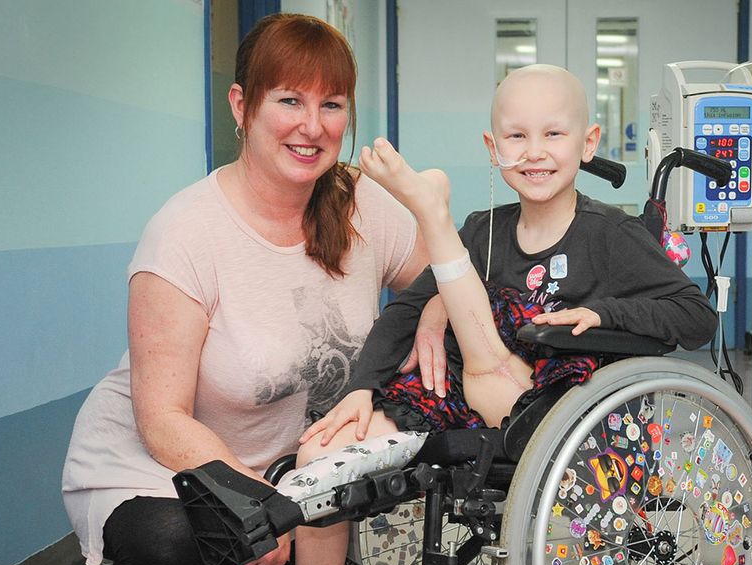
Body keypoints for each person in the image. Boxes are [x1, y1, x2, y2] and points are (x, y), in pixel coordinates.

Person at [60, 14, 433, 565]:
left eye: (332, 105)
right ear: (242, 106)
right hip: (170, 462)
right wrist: (263, 509)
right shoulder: (186, 233)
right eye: (288, 100)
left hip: (294, 471)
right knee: (172, 549)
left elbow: (445, 276)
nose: (312, 125)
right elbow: (163, 417)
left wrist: (431, 314)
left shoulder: (358, 205)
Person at [303, 63, 716, 445]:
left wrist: (603, 313)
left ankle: (432, 215)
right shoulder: (483, 230)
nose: (533, 151)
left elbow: (696, 316)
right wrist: (361, 389)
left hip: (570, 411)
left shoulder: (611, 234)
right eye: (516, 136)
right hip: (475, 403)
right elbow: (403, 312)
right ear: (492, 146)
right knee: (343, 443)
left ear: (588, 142)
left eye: (553, 134)